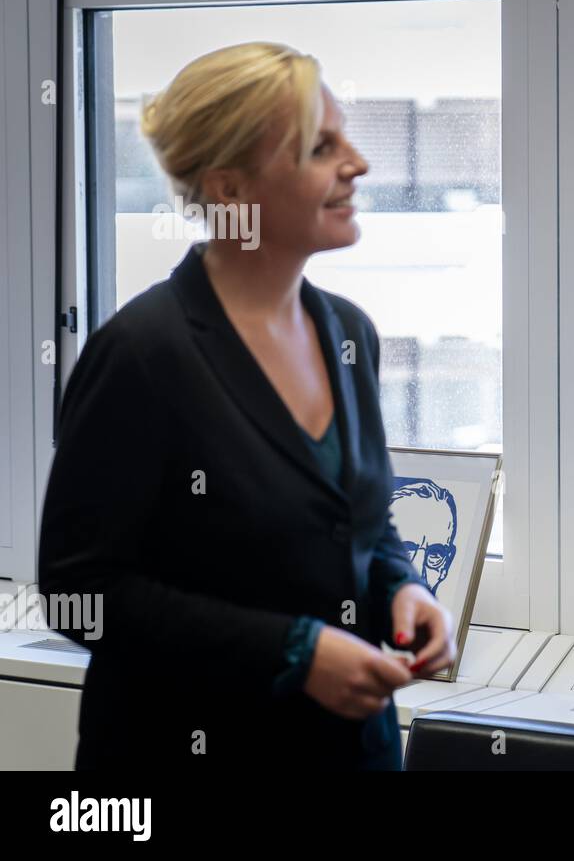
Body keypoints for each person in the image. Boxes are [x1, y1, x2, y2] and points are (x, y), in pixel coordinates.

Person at [38, 42, 456, 770]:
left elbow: (354, 521)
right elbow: (81, 591)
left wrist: (403, 585)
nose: (357, 163)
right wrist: (294, 649)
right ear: (230, 192)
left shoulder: (348, 333)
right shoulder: (144, 353)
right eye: (321, 148)